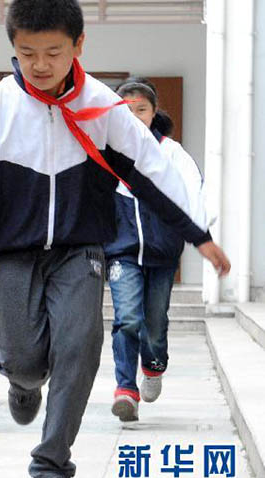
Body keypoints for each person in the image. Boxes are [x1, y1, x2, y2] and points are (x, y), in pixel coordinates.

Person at [0, 0, 230, 478]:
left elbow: (153, 170)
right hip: (14, 253)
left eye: (53, 52)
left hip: (82, 251)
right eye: (27, 53)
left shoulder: (103, 107)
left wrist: (196, 233)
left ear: (78, 45)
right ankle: (23, 382)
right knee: (24, 362)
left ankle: (51, 463)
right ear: (13, 48)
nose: (40, 65)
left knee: (80, 347)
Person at [104, 77, 209, 422]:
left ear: (153, 112)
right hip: (121, 252)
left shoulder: (172, 153)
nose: (135, 116)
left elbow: (194, 195)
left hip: (163, 253)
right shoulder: (104, 153)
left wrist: (198, 234)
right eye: (127, 110)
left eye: (142, 109)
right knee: (127, 318)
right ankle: (125, 389)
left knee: (154, 323)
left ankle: (153, 366)